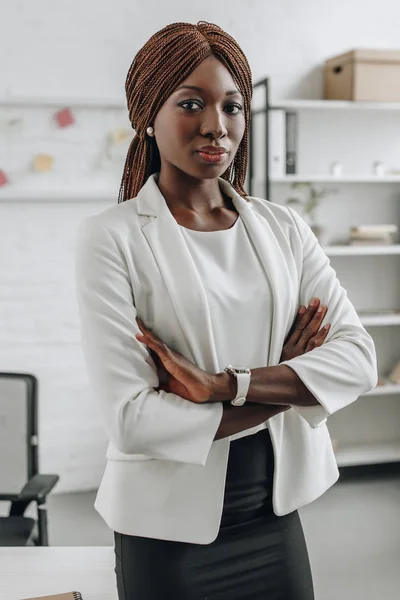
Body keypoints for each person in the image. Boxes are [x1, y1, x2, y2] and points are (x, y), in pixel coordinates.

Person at [74, 21, 378, 600]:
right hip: (166, 528)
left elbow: (358, 360)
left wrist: (222, 385)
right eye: (191, 103)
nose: (217, 124)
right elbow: (133, 421)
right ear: (147, 114)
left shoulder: (283, 227)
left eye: (233, 106)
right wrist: (288, 382)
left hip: (274, 511)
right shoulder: (110, 239)